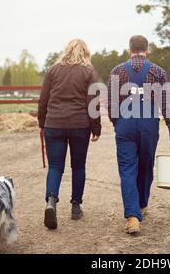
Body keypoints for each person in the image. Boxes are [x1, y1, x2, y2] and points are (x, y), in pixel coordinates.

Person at [108, 35, 170, 235]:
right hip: (149, 124)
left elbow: (112, 104)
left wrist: (118, 124)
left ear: (129, 50)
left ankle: (132, 217)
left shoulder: (117, 71)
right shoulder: (158, 71)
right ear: (146, 50)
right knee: (146, 166)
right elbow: (166, 104)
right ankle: (141, 206)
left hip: (125, 124)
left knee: (127, 169)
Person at [38, 39, 101, 230]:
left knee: (55, 166)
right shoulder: (89, 72)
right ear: (85, 53)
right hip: (79, 125)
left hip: (54, 124)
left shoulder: (53, 70)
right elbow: (93, 103)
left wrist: (42, 123)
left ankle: (51, 200)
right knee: (78, 166)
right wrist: (96, 127)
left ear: (67, 51)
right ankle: (75, 206)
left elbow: (43, 99)